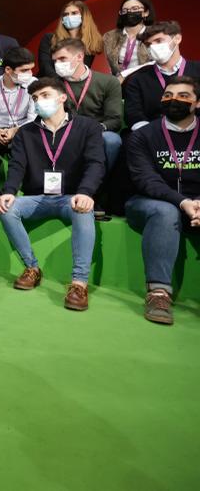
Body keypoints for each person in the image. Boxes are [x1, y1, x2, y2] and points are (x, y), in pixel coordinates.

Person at [0, 77, 106, 310]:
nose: (39, 101)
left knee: (83, 209)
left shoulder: (87, 127)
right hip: (38, 197)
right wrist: (9, 191)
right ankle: (32, 268)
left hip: (71, 196)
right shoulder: (26, 132)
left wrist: (86, 192)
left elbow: (95, 163)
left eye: (44, 95)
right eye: (35, 98)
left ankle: (79, 283)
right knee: (7, 209)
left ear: (62, 97)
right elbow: (17, 166)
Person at [125, 76, 200, 325]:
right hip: (148, 203)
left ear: (197, 103)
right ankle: (158, 293)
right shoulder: (143, 136)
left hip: (196, 204)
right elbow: (147, 180)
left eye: (183, 96)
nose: (174, 100)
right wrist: (183, 202)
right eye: (168, 95)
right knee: (167, 210)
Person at [51, 38, 123, 171]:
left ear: (79, 57)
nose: (57, 64)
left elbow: (115, 120)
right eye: (55, 60)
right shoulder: (52, 85)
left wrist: (93, 130)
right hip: (65, 132)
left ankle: (102, 185)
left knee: (112, 140)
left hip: (99, 131)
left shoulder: (109, 82)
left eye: (62, 59)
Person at [124, 21, 200, 130]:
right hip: (153, 136)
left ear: (177, 39)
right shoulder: (137, 78)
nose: (153, 47)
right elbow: (133, 115)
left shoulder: (198, 70)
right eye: (148, 45)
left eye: (159, 41)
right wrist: (152, 135)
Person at [0, 46, 36, 154]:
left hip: (24, 131)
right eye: (24, 70)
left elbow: (33, 118)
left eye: (31, 69)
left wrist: (15, 130)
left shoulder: (34, 84)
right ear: (8, 70)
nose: (29, 73)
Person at [37, 1, 104, 79]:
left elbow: (83, 69)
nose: (69, 17)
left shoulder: (91, 42)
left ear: (84, 16)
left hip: (74, 86)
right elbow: (45, 66)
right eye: (65, 14)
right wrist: (62, 85)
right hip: (48, 85)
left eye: (74, 13)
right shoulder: (50, 38)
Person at [103, 0, 154, 80]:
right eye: (125, 10)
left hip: (146, 82)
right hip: (118, 84)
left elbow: (156, 63)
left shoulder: (155, 34)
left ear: (146, 12)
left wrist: (124, 74)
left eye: (135, 9)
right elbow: (111, 66)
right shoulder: (109, 36)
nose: (130, 13)